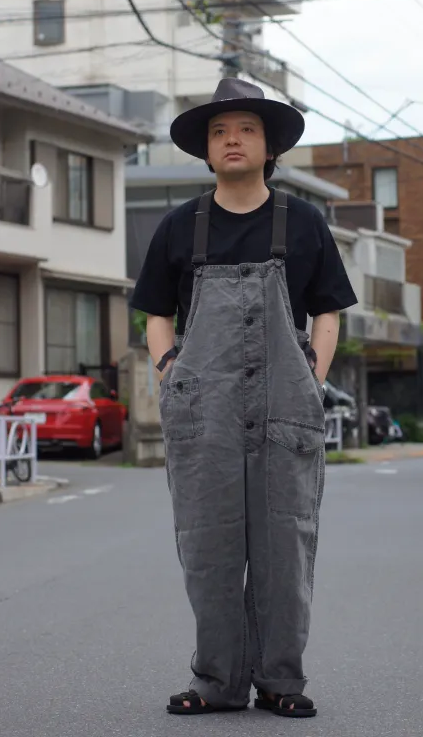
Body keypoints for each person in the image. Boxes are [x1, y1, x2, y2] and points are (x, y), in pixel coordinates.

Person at [131, 78, 357, 718]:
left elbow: (328, 309)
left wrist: (312, 376)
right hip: (204, 411)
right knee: (209, 548)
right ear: (207, 150)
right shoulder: (181, 225)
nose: (233, 140)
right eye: (220, 131)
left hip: (287, 404)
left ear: (269, 146)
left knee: (286, 546)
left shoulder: (303, 221)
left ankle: (281, 680)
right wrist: (170, 371)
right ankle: (217, 682)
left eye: (247, 129)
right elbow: (155, 312)